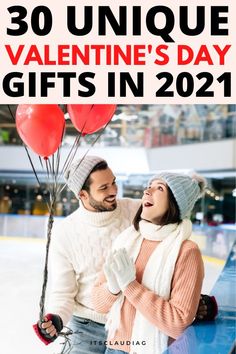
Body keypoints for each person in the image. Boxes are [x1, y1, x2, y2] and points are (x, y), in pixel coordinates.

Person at [33, 156, 217, 353]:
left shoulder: (138, 211)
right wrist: (56, 318)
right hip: (88, 325)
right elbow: (63, 291)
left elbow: (172, 234)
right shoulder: (66, 233)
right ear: (83, 195)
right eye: (103, 188)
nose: (113, 191)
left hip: (135, 325)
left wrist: (194, 303)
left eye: (113, 182)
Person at [92, 172, 208, 354]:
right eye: (149, 186)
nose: (147, 190)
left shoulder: (187, 252)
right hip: (114, 348)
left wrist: (130, 286)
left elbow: (178, 323)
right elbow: (98, 304)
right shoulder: (126, 240)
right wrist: (112, 288)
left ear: (175, 203)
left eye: (159, 188)